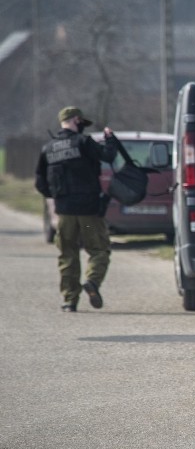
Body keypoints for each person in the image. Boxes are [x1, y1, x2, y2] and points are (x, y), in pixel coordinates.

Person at [35, 106, 118, 312]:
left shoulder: (49, 148)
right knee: (98, 250)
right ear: (77, 120)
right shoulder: (84, 142)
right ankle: (92, 282)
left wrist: (55, 198)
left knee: (68, 254)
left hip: (64, 213)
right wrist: (110, 139)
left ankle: (69, 300)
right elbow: (108, 156)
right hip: (88, 213)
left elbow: (40, 182)